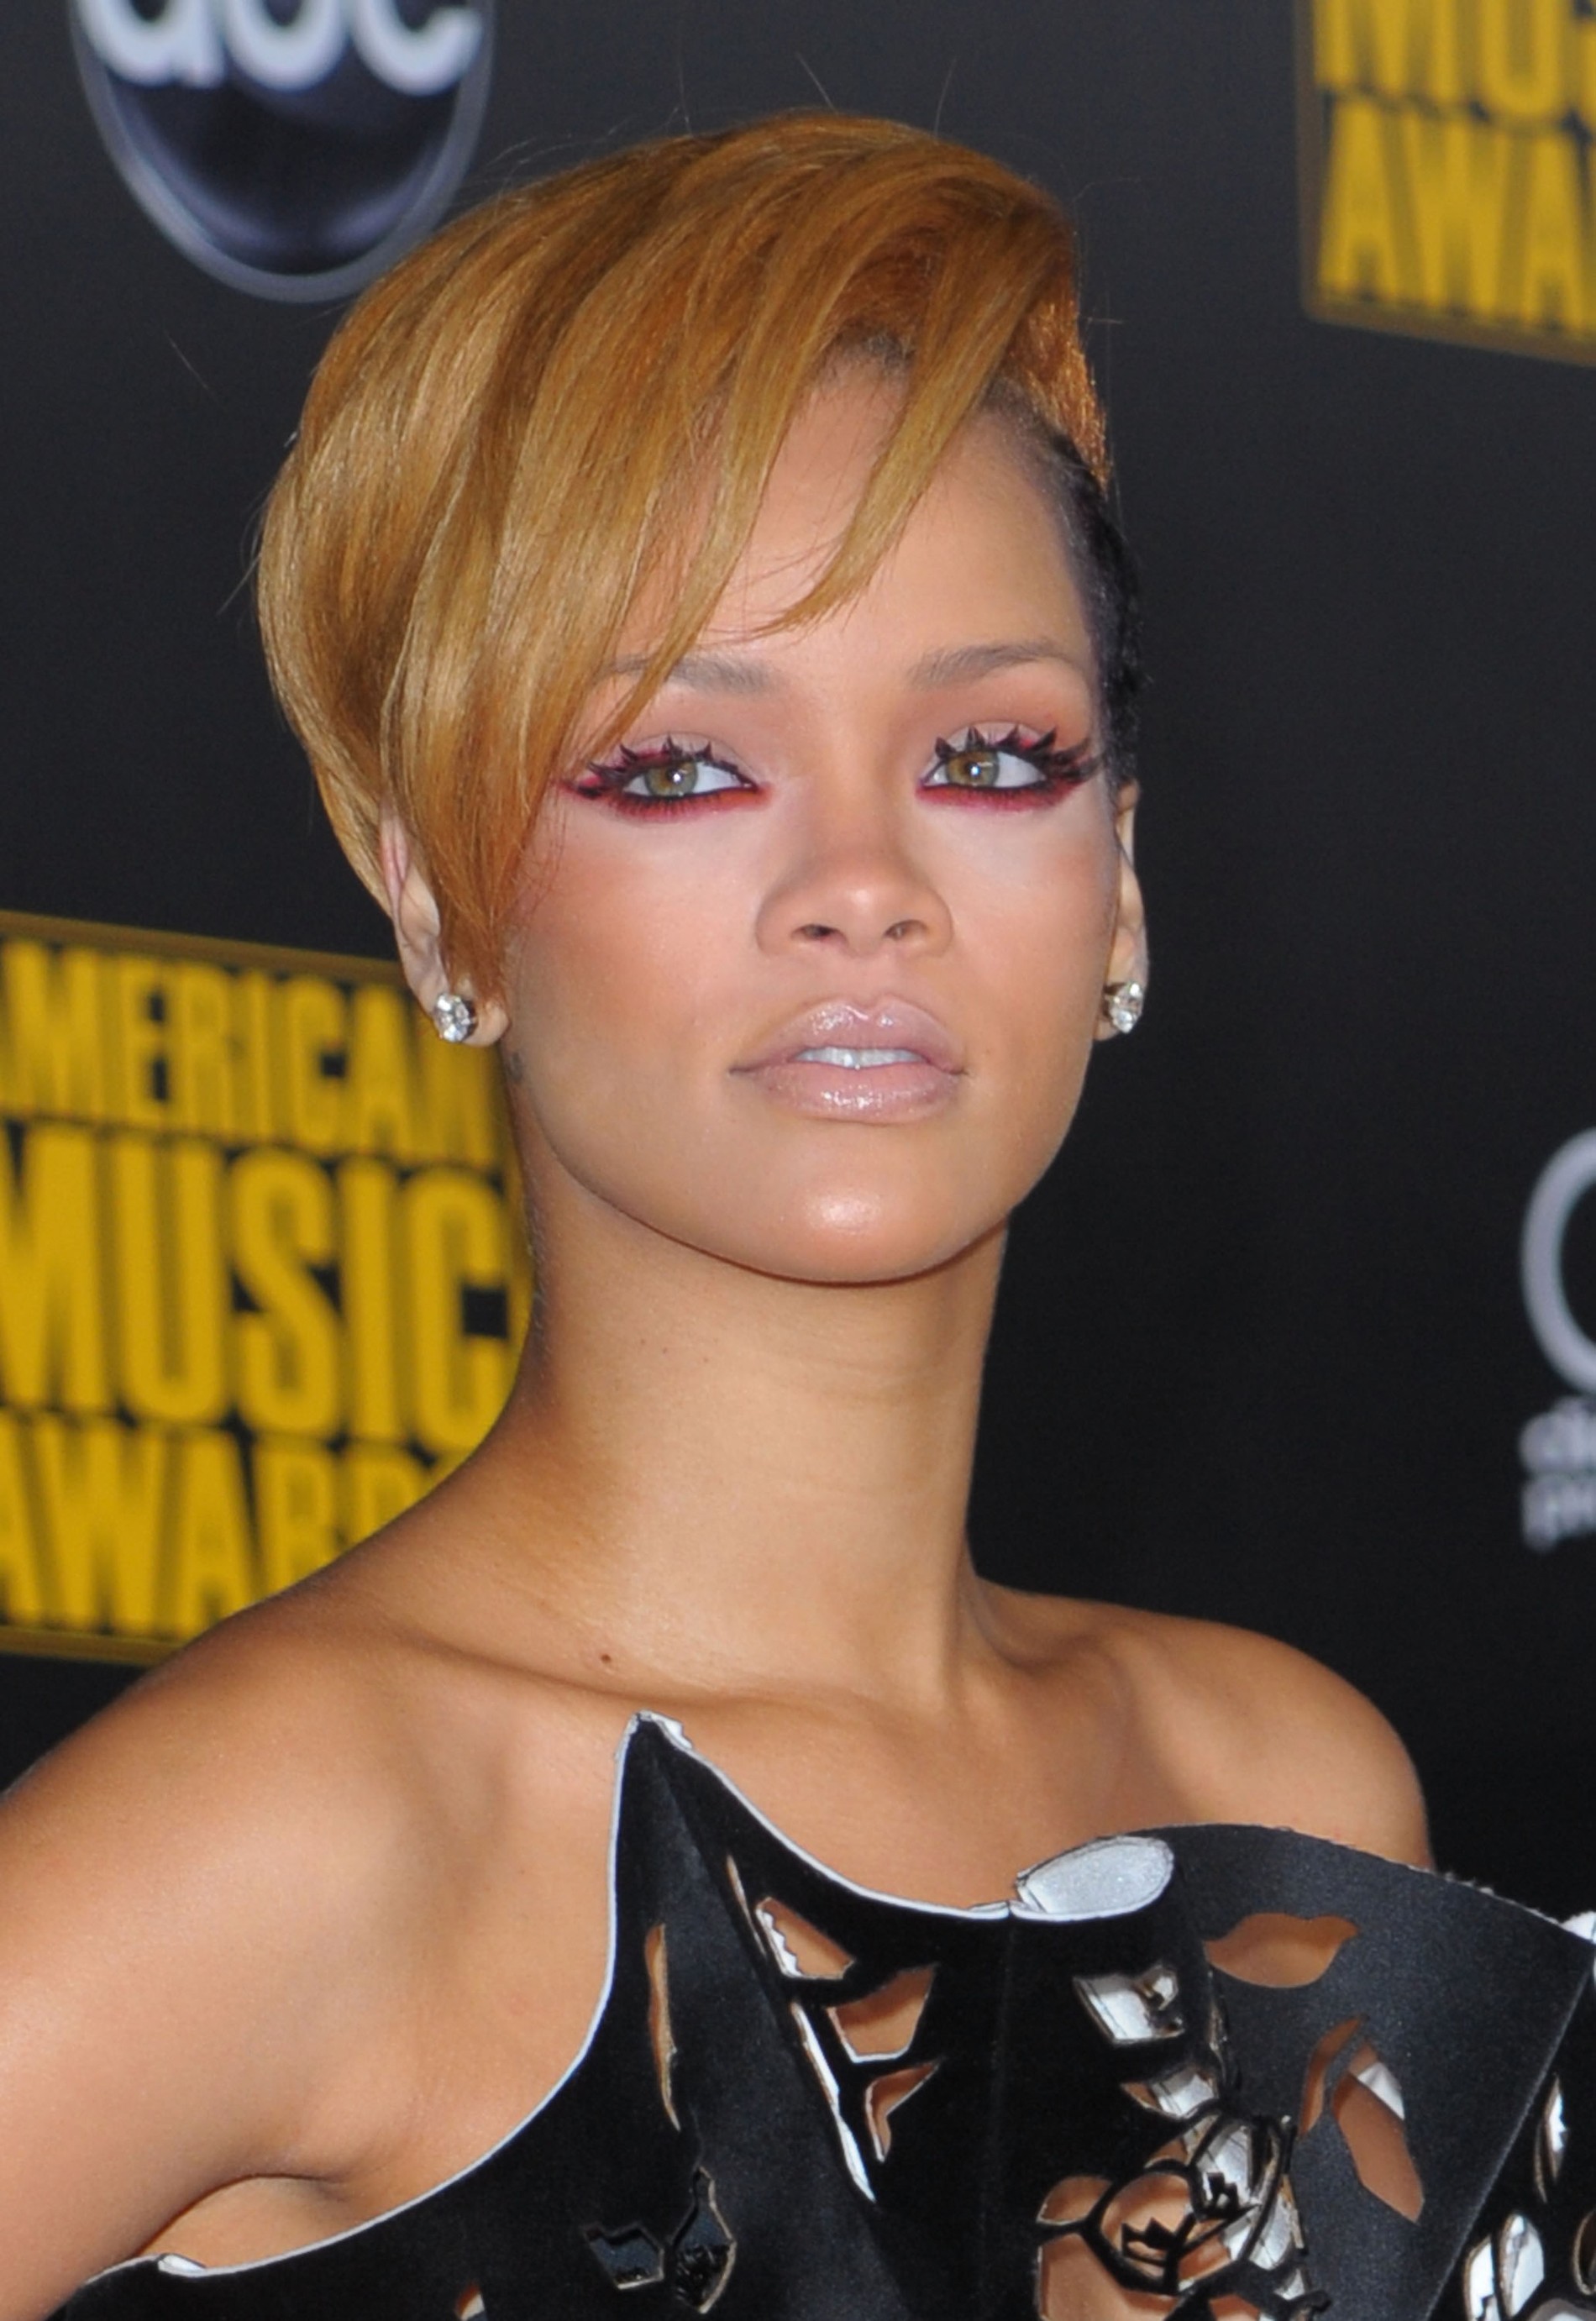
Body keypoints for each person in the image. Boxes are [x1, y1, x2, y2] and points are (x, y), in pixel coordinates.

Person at [1, 109, 1536, 2321]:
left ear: (1116, 874)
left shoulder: (1278, 1789)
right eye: (679, 764)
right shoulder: (278, 1842)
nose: (861, 885)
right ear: (439, 896)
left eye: (988, 756)